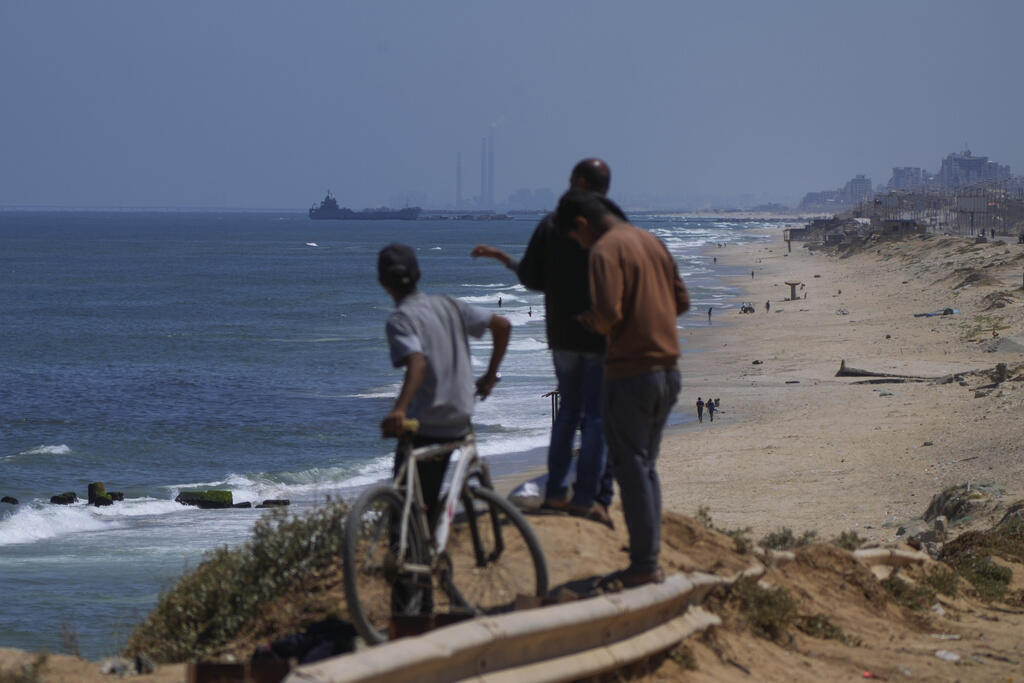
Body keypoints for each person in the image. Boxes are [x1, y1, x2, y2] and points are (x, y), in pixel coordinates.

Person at [470, 159, 615, 527]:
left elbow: (532, 279)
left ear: (581, 181)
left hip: (564, 336)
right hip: (601, 333)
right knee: (596, 416)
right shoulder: (612, 222)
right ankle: (586, 496)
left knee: (569, 410)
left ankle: (554, 491)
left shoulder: (552, 225)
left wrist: (506, 260)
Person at [556, 189, 690, 588]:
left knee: (630, 468)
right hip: (668, 368)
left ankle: (645, 565)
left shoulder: (603, 252)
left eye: (576, 239)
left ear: (581, 225)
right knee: (645, 466)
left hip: (631, 371)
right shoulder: (651, 241)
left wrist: (590, 322)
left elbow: (610, 312)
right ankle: (647, 557)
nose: (580, 246)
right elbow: (680, 301)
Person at [379, 243, 510, 524]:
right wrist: (489, 376)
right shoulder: (449, 305)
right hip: (461, 418)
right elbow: (503, 326)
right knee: (430, 494)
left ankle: (402, 548)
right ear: (419, 273)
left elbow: (417, 362)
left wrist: (399, 410)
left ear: (383, 283)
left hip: (427, 426)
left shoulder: (400, 319)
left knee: (407, 509)